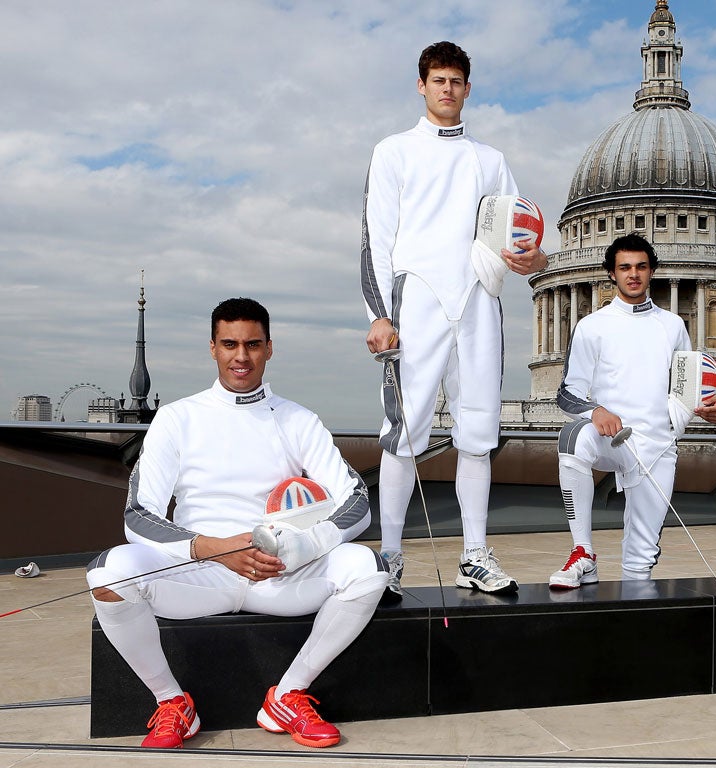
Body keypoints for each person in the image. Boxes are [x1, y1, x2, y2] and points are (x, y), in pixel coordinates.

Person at [87, 298, 387, 749]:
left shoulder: (298, 419)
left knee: (367, 568)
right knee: (108, 573)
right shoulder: (177, 418)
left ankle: (287, 695)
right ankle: (172, 702)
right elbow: (139, 515)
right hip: (202, 572)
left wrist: (302, 549)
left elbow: (356, 501)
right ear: (213, 348)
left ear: (269, 348)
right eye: (230, 344)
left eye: (252, 344)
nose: (241, 356)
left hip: (280, 574)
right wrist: (215, 548)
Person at [361, 41, 547, 600]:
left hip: (478, 300)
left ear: (468, 88)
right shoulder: (393, 151)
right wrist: (378, 314)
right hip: (414, 298)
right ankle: (390, 557)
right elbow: (376, 236)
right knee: (403, 433)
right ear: (422, 86)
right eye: (438, 80)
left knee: (477, 432)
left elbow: (520, 233)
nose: (447, 89)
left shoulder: (489, 161)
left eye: (456, 81)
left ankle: (473, 554)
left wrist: (533, 261)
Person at [549, 234, 716, 588]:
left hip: (656, 445)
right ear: (612, 274)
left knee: (640, 561)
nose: (633, 274)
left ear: (651, 272)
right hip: (609, 437)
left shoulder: (674, 326)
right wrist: (595, 410)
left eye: (641, 267)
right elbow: (567, 393)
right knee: (572, 437)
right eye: (625, 267)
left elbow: (687, 387)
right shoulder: (591, 326)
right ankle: (583, 552)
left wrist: (714, 406)